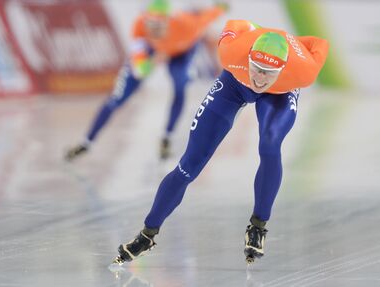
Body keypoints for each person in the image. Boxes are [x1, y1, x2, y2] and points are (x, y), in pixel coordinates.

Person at [113, 19, 329, 265]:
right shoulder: (231, 53)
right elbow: (235, 23)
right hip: (235, 83)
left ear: (282, 68)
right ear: (249, 58)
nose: (259, 78)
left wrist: (296, 44)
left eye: (268, 72)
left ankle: (258, 226)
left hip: (280, 91)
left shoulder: (303, 71)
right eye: (256, 67)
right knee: (188, 166)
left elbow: (320, 42)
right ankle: (147, 234)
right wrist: (254, 33)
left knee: (270, 145)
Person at [65, 0, 226, 161]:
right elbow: (139, 70)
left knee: (180, 84)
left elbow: (214, 12)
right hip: (154, 51)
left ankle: (167, 137)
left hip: (181, 53)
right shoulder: (140, 26)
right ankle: (87, 142)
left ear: (168, 21)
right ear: (145, 20)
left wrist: (221, 7)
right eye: (151, 24)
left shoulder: (188, 25)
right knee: (117, 97)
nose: (154, 30)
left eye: (158, 26)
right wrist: (154, 59)